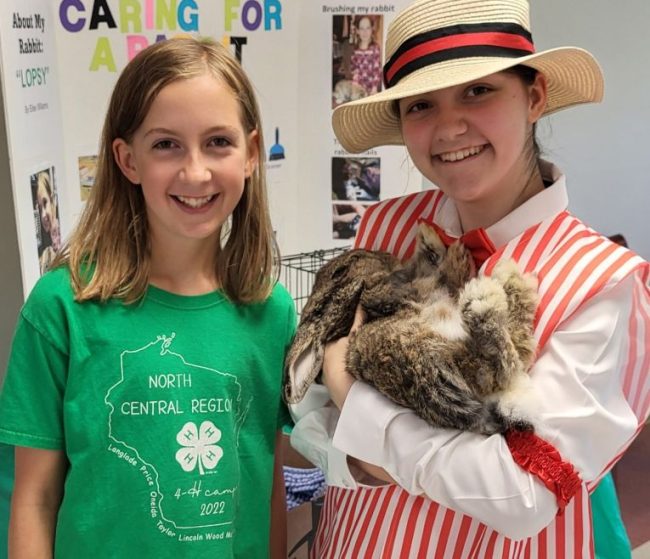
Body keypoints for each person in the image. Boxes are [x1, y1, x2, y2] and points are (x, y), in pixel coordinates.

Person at [289, 0, 649, 557]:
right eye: (421, 105)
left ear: (534, 97)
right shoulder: (385, 225)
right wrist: (358, 445)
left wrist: (357, 405)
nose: (449, 127)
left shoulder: (605, 285)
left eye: (478, 91)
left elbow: (524, 493)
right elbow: (314, 413)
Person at [0, 37, 295, 558]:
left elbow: (267, 485)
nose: (195, 172)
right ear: (127, 159)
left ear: (251, 154)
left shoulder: (271, 313)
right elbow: (34, 498)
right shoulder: (63, 306)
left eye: (218, 142)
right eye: (166, 145)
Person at [349, 16, 382, 96]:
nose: (365, 32)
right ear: (357, 31)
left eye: (368, 28)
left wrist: (374, 88)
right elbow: (354, 68)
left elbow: (377, 71)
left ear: (372, 29)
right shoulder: (355, 49)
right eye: (361, 28)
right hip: (359, 86)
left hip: (371, 87)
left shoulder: (375, 48)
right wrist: (355, 81)